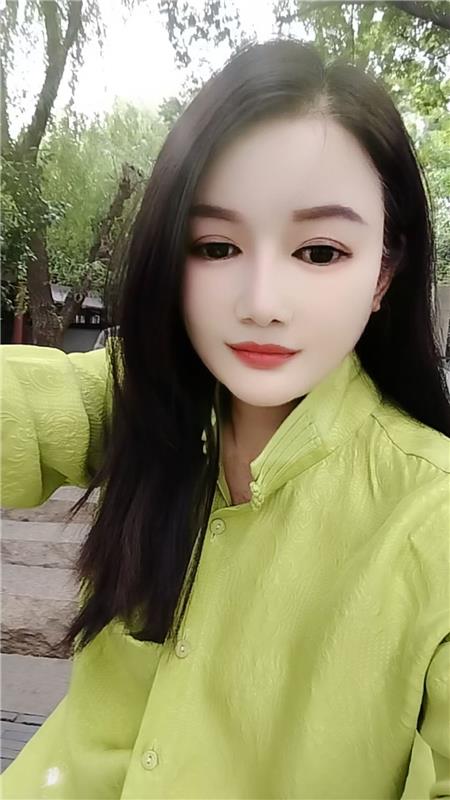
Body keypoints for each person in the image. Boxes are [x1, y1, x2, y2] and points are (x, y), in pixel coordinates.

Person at [1, 38, 449, 800]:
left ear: (383, 273)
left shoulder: (432, 523)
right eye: (216, 246)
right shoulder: (139, 399)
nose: (262, 302)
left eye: (319, 252)